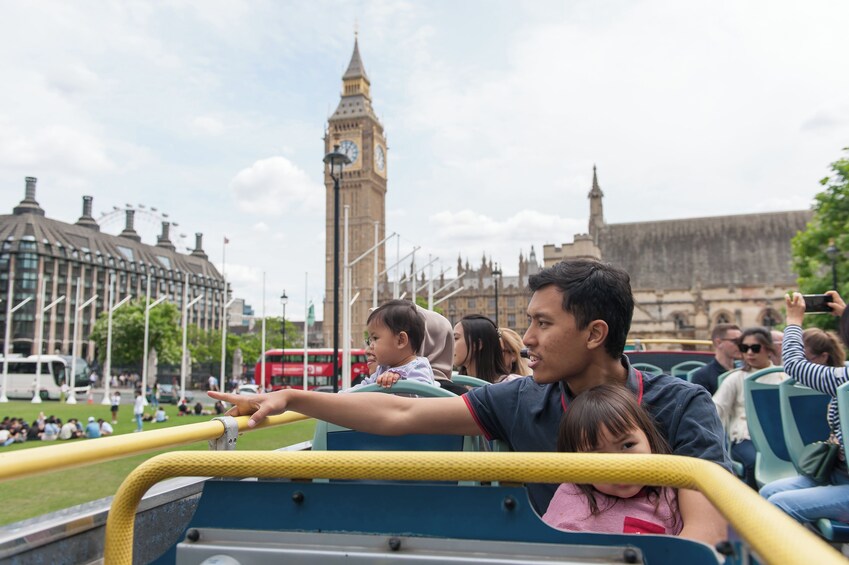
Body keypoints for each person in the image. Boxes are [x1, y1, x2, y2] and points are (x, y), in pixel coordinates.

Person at [209, 259, 730, 545]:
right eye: (528, 322)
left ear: (596, 333)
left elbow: (705, 534)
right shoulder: (522, 398)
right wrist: (292, 396)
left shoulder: (682, 406)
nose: (525, 339)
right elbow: (403, 412)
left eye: (542, 324)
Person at [542, 385, 682, 535]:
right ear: (577, 466)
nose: (618, 465)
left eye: (628, 445)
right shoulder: (572, 495)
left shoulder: (669, 496)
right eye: (598, 456)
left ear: (651, 444)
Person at [760, 291, 849, 525]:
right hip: (838, 475)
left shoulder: (845, 377)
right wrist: (844, 314)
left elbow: (794, 366)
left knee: (777, 505)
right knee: (766, 494)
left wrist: (793, 322)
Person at [712, 327, 787, 489]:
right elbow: (715, 410)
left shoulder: (784, 378)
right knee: (754, 463)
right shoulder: (735, 378)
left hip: (779, 438)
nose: (749, 353)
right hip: (745, 438)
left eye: (755, 348)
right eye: (745, 348)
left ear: (768, 348)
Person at [348, 300, 435, 390]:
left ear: (400, 340)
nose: (370, 346)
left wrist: (400, 380)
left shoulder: (418, 367)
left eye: (375, 338)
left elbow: (423, 395)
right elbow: (362, 389)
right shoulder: (382, 369)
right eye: (370, 340)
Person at [453, 315, 512, 383]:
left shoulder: (509, 385)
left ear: (478, 344)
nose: (451, 344)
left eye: (456, 338)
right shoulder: (454, 384)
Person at [690, 323, 742, 395]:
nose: (741, 345)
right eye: (736, 341)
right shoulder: (702, 376)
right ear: (718, 342)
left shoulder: (743, 370)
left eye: (742, 341)